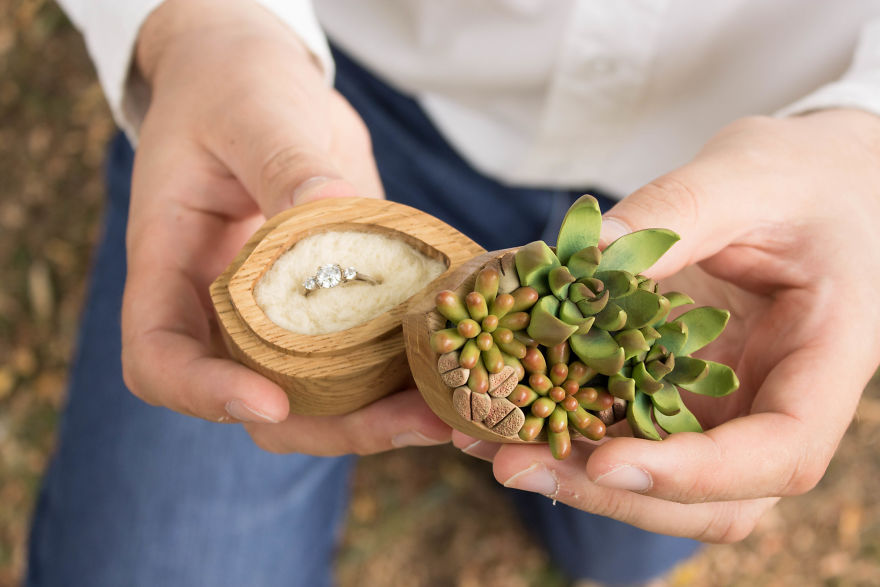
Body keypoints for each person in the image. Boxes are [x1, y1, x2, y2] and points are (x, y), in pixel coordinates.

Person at [29, 0, 880, 585]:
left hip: (738, 191)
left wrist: (866, 145)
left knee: (621, 527)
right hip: (330, 90)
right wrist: (198, 28)